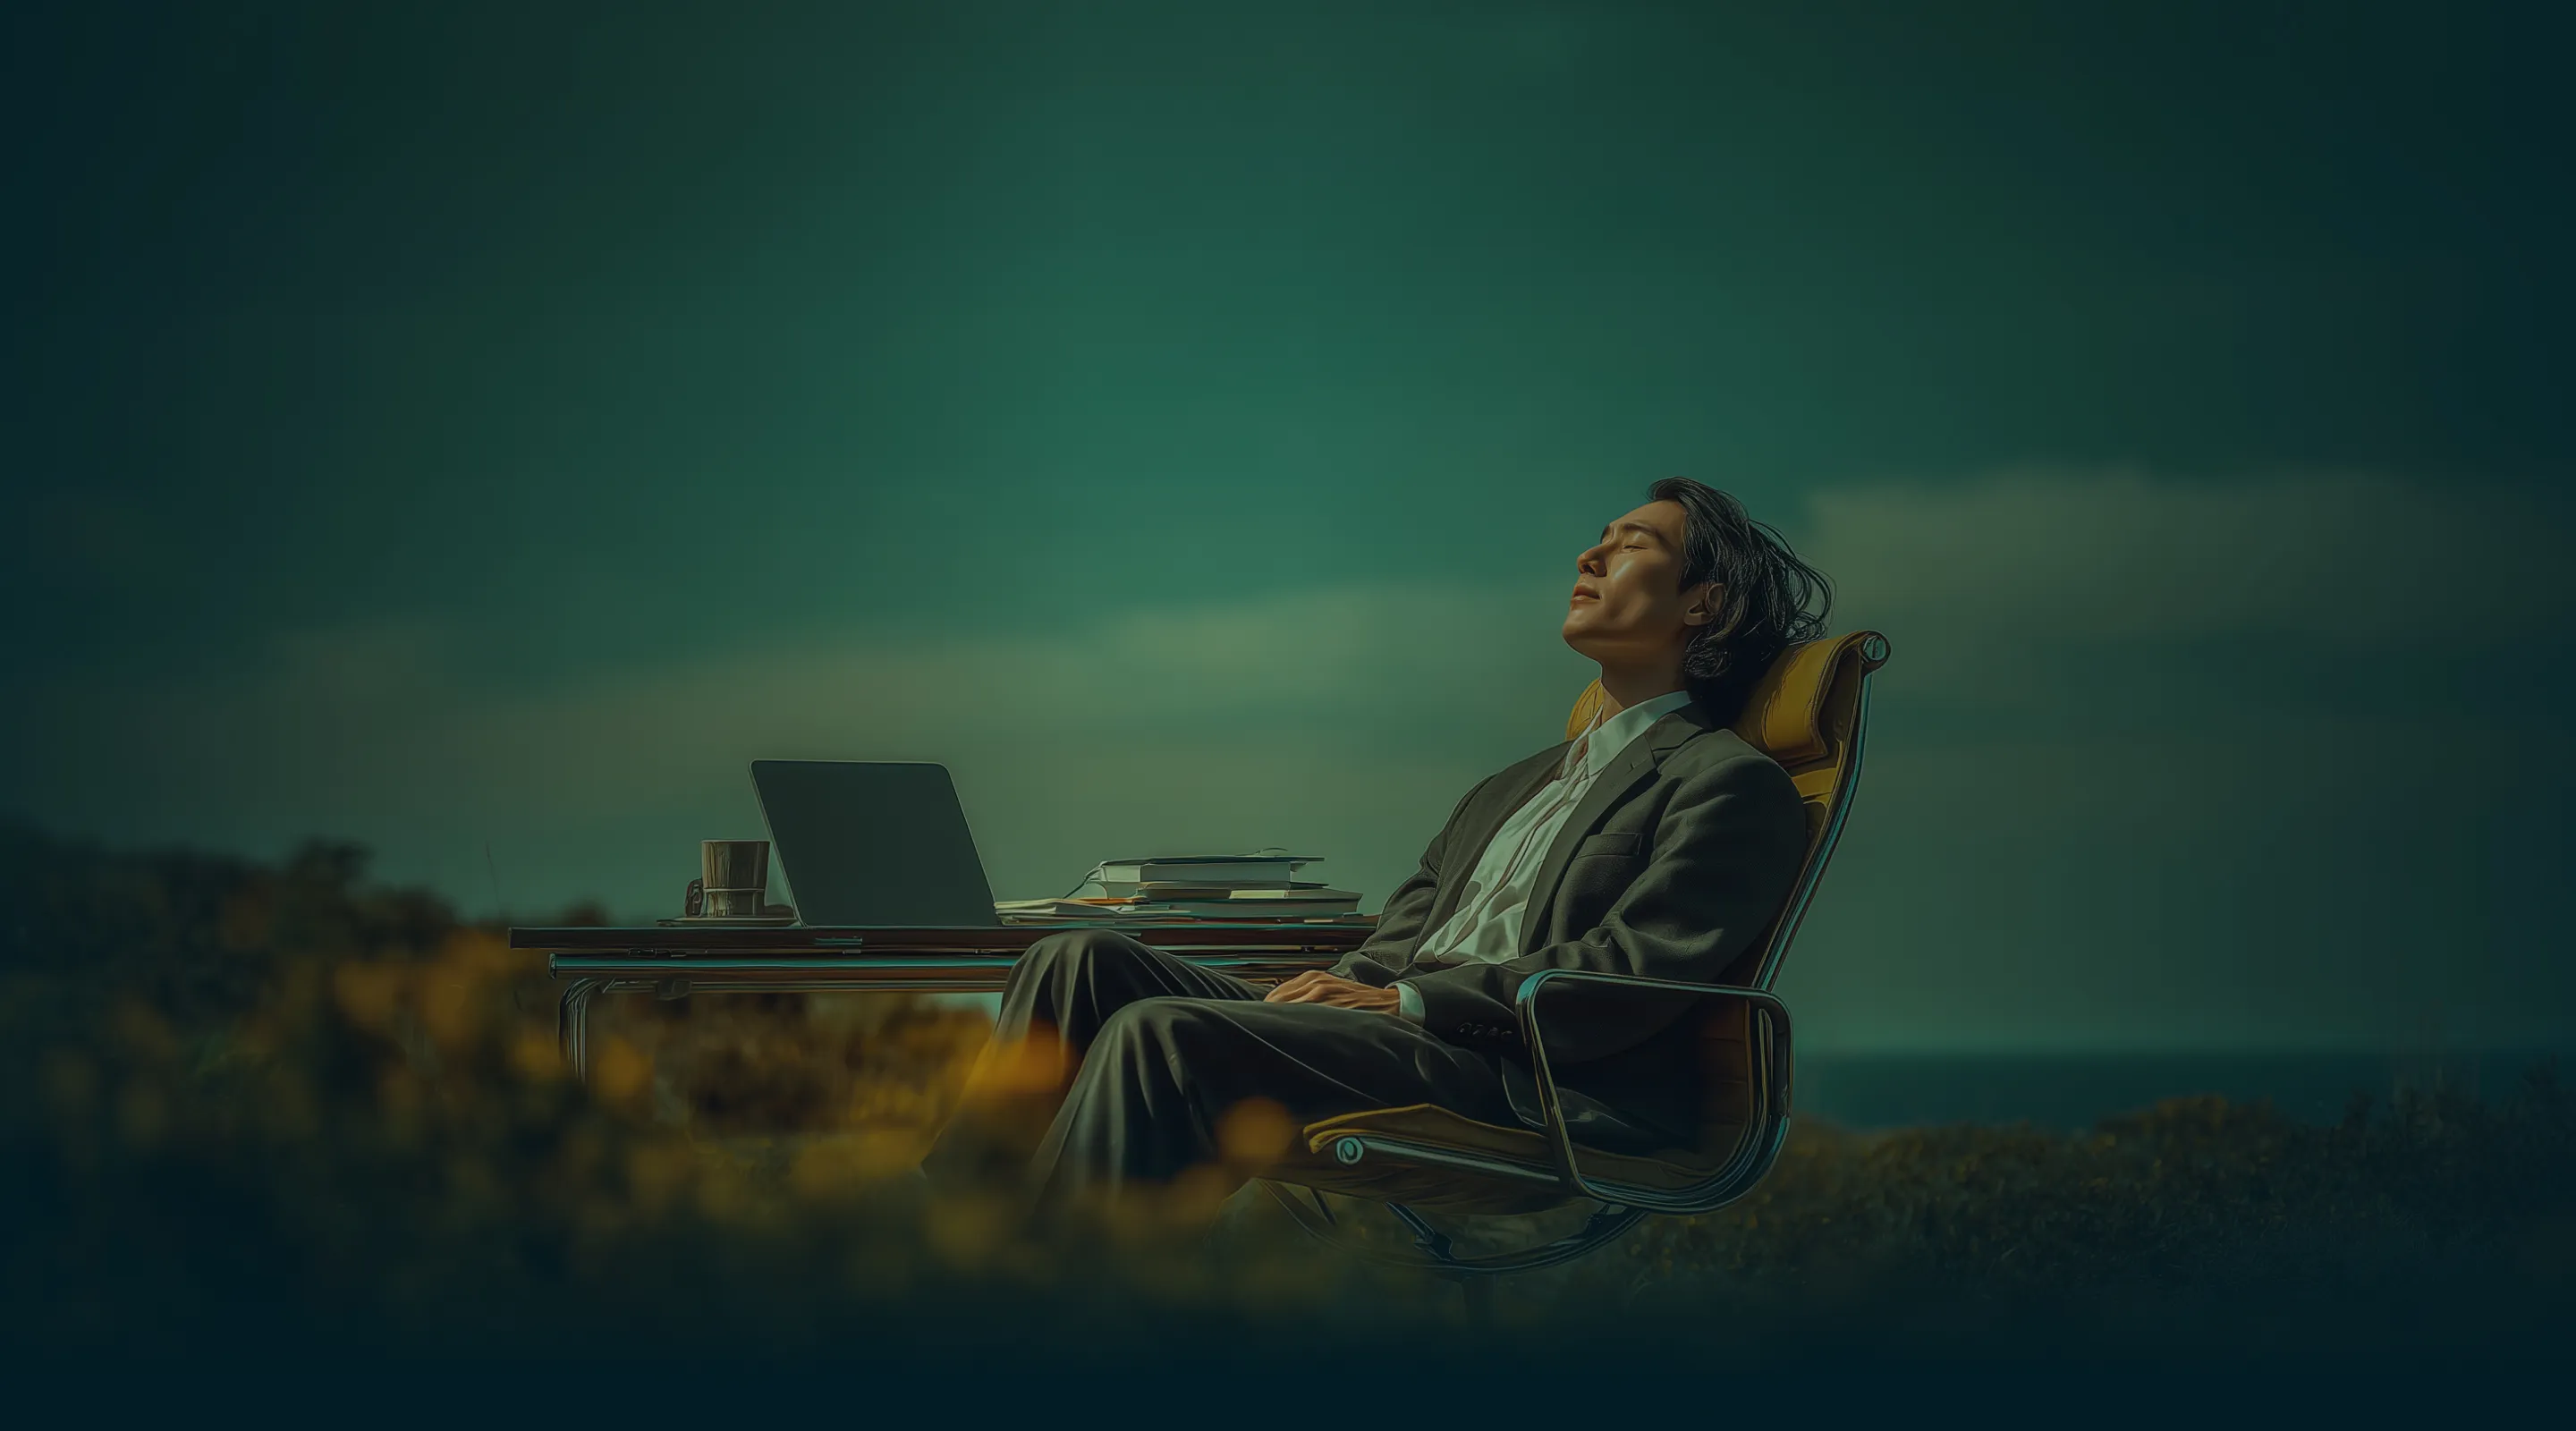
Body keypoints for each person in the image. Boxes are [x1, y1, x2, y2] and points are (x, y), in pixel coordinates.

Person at [921, 477, 1832, 1214]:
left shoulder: (1729, 783)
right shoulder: (1510, 787)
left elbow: (1624, 978)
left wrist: (1403, 1000)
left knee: (1162, 1034)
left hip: (1526, 1078)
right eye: (1599, 537)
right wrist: (1353, 990)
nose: (1590, 554)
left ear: (1703, 604)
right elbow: (1399, 934)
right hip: (1403, 1025)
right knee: (1076, 965)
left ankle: (1041, 1317)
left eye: (1633, 544)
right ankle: (950, 1243)